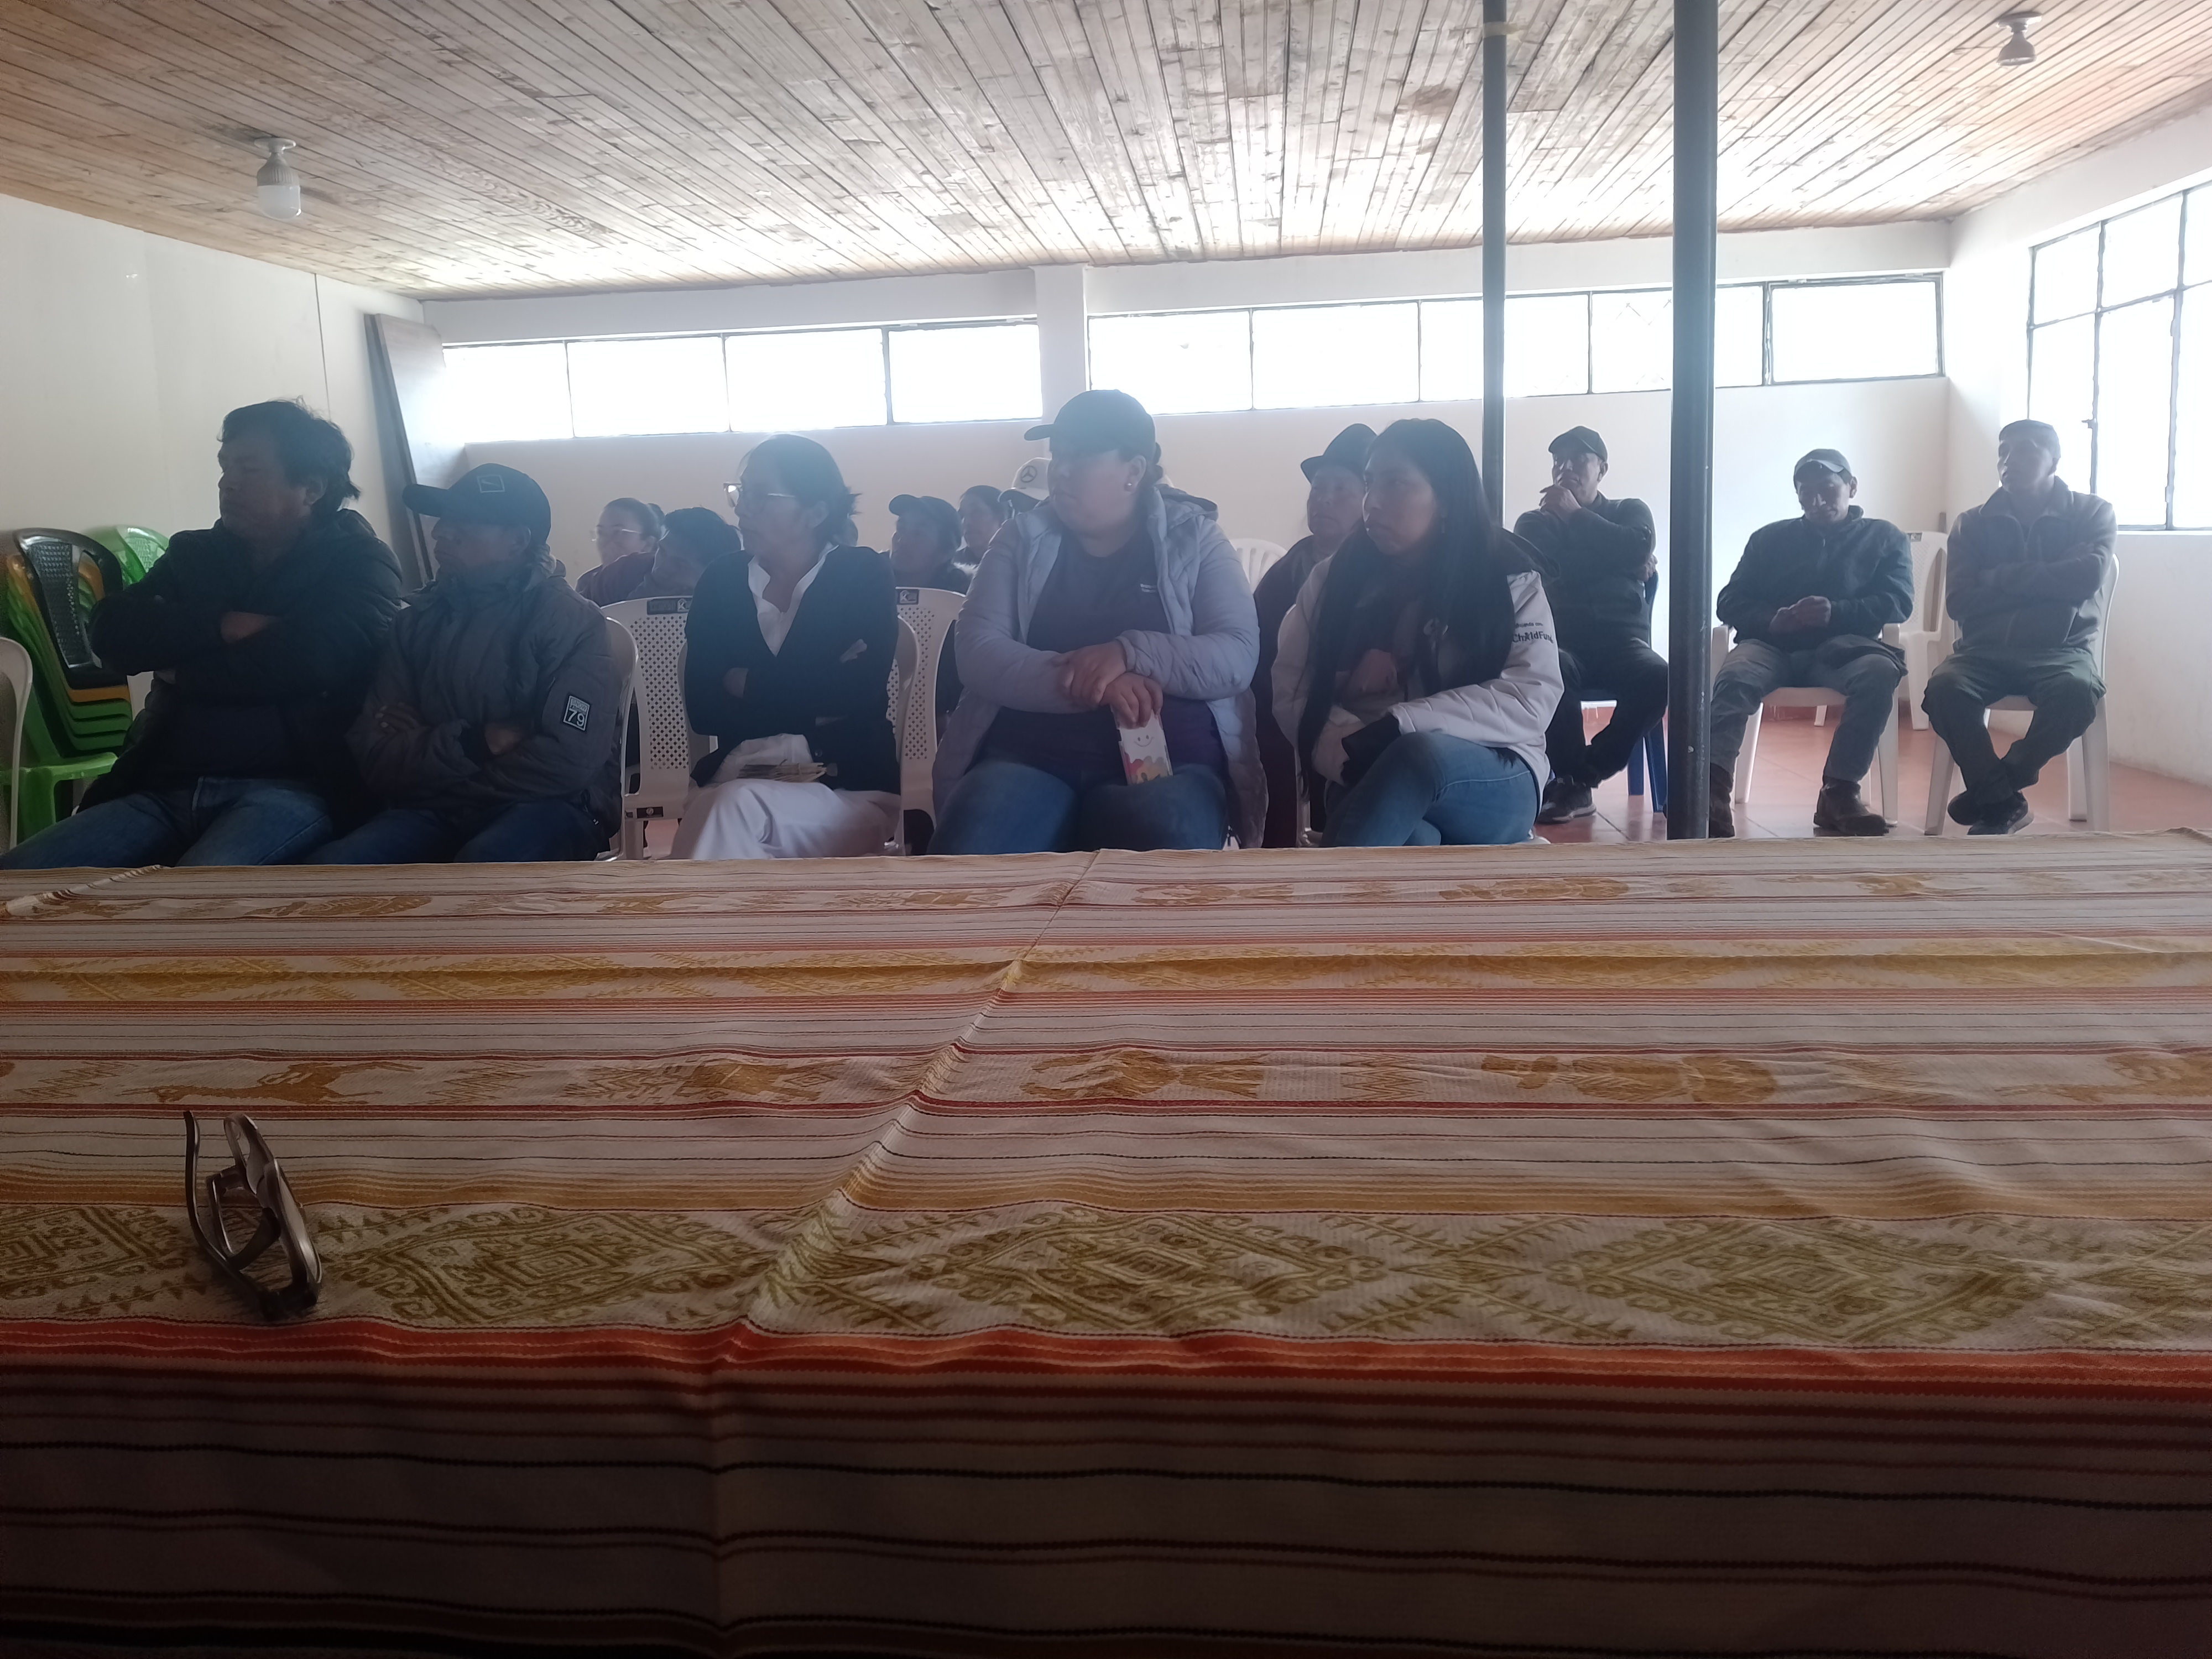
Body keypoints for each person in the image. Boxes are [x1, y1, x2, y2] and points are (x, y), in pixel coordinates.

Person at [1, 400, 401, 870]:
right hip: (163, 786)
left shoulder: (362, 561)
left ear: (311, 488)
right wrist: (224, 624)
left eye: (249, 469)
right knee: (18, 879)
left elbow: (314, 661)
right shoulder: (195, 553)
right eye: (225, 467)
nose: (228, 482)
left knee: (193, 895)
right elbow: (111, 632)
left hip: (293, 788)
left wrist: (181, 670)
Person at [930, 389, 1262, 854]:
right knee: (970, 858)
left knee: (1170, 850)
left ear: (1134, 471)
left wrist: (1129, 652)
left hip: (1169, 765)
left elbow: (1236, 654)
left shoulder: (1196, 539)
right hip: (1028, 757)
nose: (1061, 470)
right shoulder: (1019, 539)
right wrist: (1098, 684)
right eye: (1058, 454)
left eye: (1081, 456)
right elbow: (978, 652)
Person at [309, 464, 620, 863]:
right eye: (442, 519)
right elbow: (377, 755)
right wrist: (479, 742)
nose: (440, 532)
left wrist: (435, 763)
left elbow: (568, 762)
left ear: (517, 541)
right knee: (330, 872)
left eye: (464, 521)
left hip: (552, 806)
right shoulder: (415, 621)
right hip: (433, 811)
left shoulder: (571, 621)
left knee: (483, 868)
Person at [1273, 418, 1561, 848]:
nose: (1372, 503)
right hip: (1360, 769)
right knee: (1415, 839)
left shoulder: (1505, 577)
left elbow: (1529, 696)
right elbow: (1292, 688)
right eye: (1370, 483)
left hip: (1496, 770)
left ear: (1446, 498)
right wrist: (1347, 747)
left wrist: (1398, 727)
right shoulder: (1336, 579)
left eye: (1396, 484)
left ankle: (1329, 886)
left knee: (1416, 756)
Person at [671, 435, 900, 860]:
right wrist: (818, 688)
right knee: (728, 810)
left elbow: (860, 692)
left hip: (844, 787)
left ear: (816, 511)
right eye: (741, 492)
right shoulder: (721, 581)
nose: (741, 508)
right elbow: (704, 709)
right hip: (732, 776)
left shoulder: (862, 574)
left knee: (730, 812)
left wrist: (745, 682)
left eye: (760, 495)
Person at [1923, 419, 2115, 836]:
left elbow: (2085, 579)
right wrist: (2052, 581)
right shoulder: (1972, 523)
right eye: (2003, 452)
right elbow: (1960, 602)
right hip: (1983, 650)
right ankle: (2001, 800)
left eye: (2026, 449)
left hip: (2061, 650)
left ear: (2054, 461)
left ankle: (1998, 788)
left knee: (2078, 693)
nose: (2010, 461)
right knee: (1944, 690)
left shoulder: (2091, 514)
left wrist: (1996, 578)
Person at [1710, 449, 1913, 838]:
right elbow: (1729, 600)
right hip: (1770, 645)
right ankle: (1712, 792)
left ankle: (1840, 792)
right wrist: (1773, 619)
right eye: (1805, 491)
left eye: (1827, 489)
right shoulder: (1768, 539)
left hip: (1845, 648)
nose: (1816, 500)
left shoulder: (1885, 538)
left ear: (1852, 487)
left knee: (1880, 672)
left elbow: (1898, 603)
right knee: (1735, 677)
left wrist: (1836, 612)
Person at [1512, 426, 1665, 825]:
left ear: (1602, 469)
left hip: (1624, 642)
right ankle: (1569, 779)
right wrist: (1622, 559)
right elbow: (1549, 572)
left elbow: (1637, 545)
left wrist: (1576, 517)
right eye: (1558, 461)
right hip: (1563, 641)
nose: (1566, 468)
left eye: (1578, 459)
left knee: (1662, 677)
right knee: (1549, 667)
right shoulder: (1533, 523)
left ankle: (1582, 775)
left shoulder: (1630, 510)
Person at [1253, 422, 1372, 846]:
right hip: (1285, 712)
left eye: (1340, 489)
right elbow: (1258, 657)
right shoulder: (1287, 572)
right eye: (1318, 488)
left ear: (1371, 499)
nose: (1323, 499)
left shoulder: (1389, 571)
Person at [582, 505, 732, 606]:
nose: (661, 568)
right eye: (662, 551)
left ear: (709, 572)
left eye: (679, 564)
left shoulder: (726, 600)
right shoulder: (624, 572)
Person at [575, 498, 664, 605]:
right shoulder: (586, 583)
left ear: (648, 544)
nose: (606, 541)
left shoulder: (661, 581)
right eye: (601, 533)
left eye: (618, 532)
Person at [888, 494, 971, 593]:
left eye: (918, 534)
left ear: (946, 552)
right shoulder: (873, 580)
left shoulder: (967, 597)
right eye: (901, 529)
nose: (902, 541)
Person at [957, 485, 1008, 566]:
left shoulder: (1022, 563)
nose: (966, 522)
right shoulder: (951, 566)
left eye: (975, 512)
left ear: (1002, 518)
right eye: (962, 515)